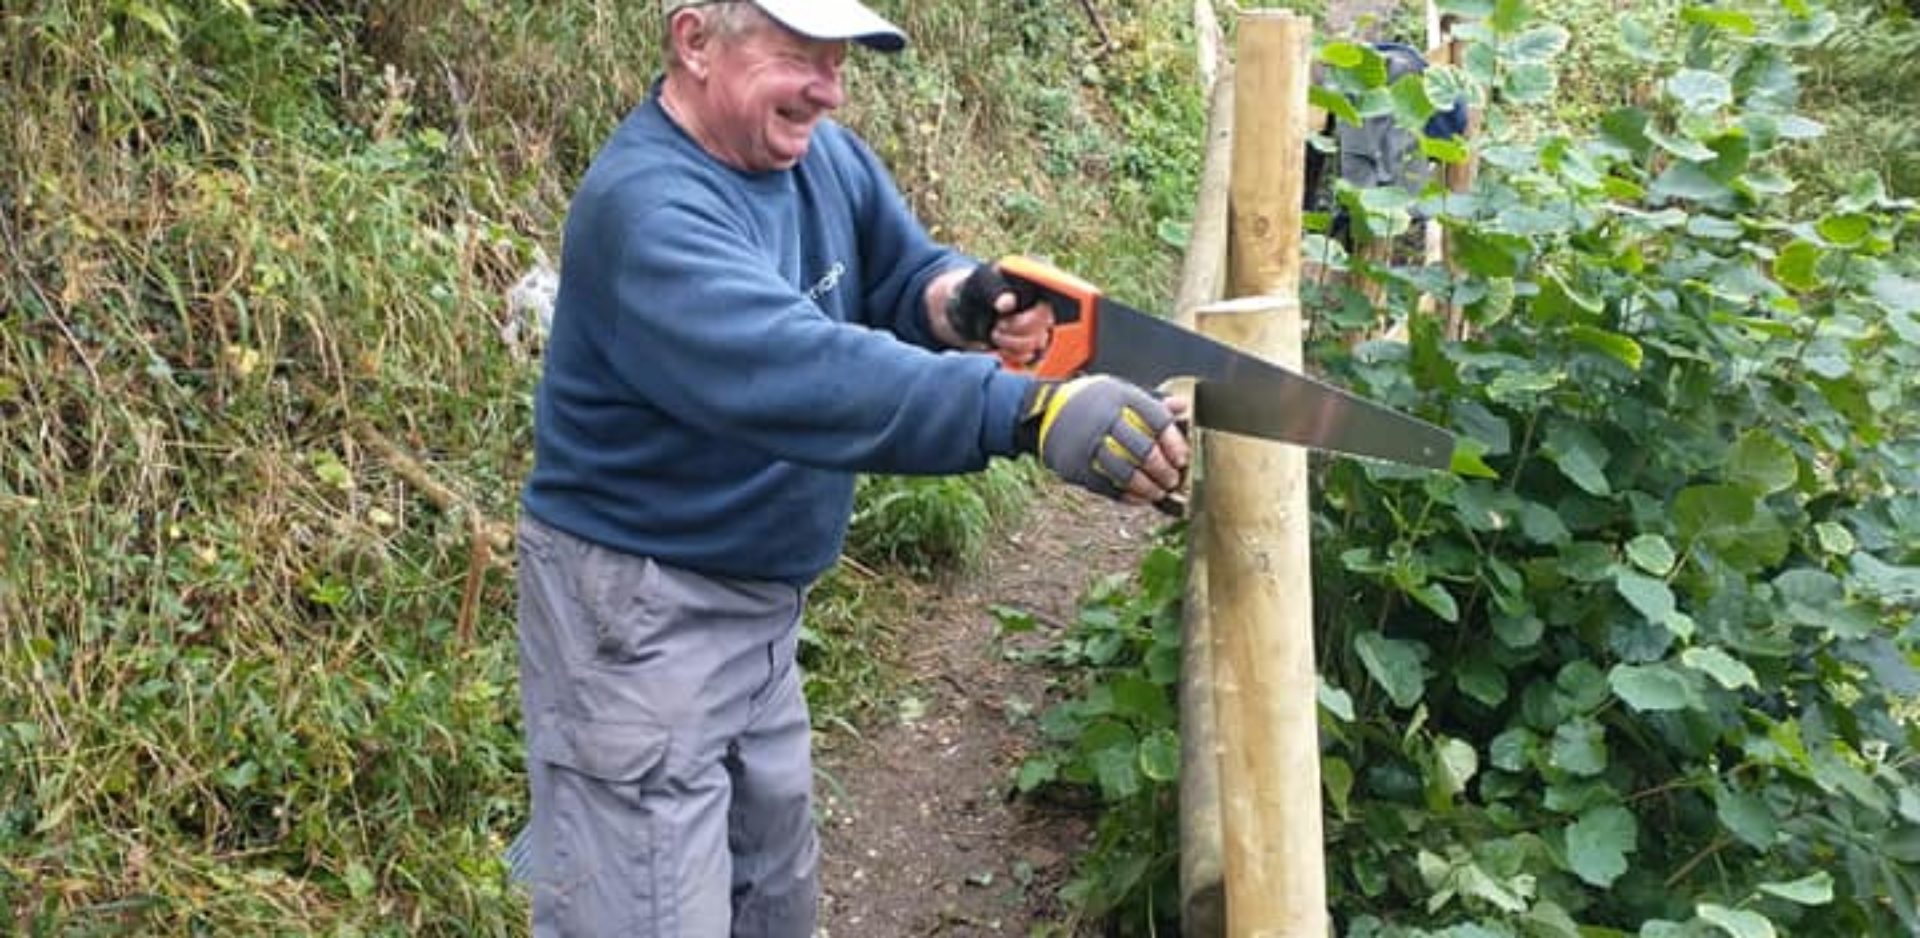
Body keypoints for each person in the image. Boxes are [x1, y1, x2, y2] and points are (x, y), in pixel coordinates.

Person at [514, 1, 1189, 934]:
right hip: (640, 614)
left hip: (761, 614)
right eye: (799, 56)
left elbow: (896, 276)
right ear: (695, 40)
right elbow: (806, 370)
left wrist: (970, 301)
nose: (827, 90)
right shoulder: (648, 213)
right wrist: (1029, 412)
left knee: (772, 898)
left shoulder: (812, 155)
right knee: (646, 909)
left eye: (837, 62)